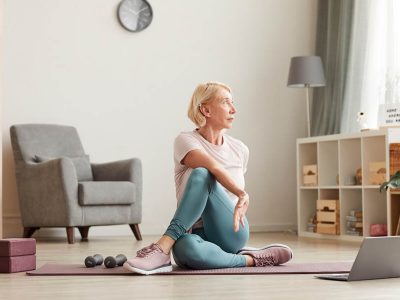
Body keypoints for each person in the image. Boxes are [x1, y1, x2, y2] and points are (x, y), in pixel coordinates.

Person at [124, 81, 293, 275]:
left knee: (204, 174)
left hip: (230, 230)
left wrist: (239, 195)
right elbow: (212, 165)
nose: (233, 109)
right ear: (206, 110)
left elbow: (220, 193)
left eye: (233, 103)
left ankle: (162, 248)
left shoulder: (240, 149)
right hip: (195, 233)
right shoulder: (185, 140)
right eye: (225, 102)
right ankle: (250, 259)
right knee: (185, 250)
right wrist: (242, 193)